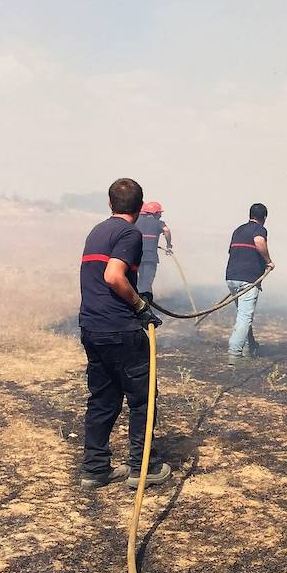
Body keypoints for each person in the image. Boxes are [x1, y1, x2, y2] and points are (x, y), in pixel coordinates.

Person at [79, 178, 172, 490]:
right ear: (140, 206)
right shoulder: (129, 233)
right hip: (120, 328)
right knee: (142, 399)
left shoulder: (97, 231)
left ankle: (95, 469)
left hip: (92, 328)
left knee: (103, 399)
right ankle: (142, 468)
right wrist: (140, 305)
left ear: (110, 204)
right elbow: (113, 276)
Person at [225, 202, 273, 366]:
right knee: (245, 317)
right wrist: (268, 262)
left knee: (241, 314)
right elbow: (259, 242)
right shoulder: (259, 229)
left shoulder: (238, 229)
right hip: (248, 280)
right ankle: (234, 355)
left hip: (231, 277)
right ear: (264, 218)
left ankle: (247, 348)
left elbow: (231, 251)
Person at [134, 200, 172, 302]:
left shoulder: (135, 221)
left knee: (134, 281)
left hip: (135, 257)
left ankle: (134, 304)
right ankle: (144, 307)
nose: (160, 215)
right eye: (159, 213)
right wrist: (169, 246)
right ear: (155, 213)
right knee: (146, 283)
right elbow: (167, 231)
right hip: (150, 257)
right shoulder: (159, 223)